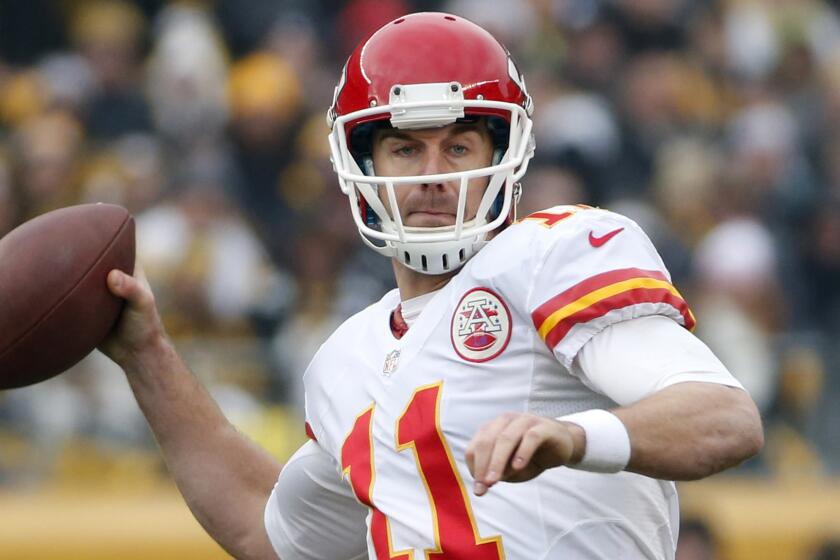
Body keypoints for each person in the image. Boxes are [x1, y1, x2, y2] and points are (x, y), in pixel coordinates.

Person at [100, 12, 764, 560]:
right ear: (361, 163)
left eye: (459, 148)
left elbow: (722, 418)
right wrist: (146, 353)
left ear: (503, 157)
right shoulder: (344, 360)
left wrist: (575, 438)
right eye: (406, 148)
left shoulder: (552, 252)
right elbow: (262, 528)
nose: (433, 174)